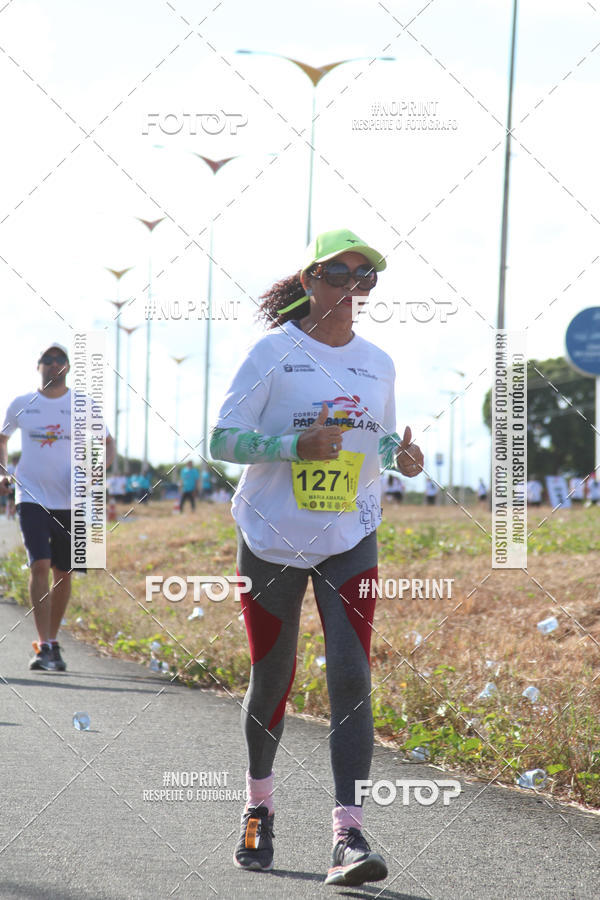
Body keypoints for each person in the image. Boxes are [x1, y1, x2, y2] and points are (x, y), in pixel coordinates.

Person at [210, 228, 424, 887]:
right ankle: (258, 806)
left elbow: (379, 438)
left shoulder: (379, 362)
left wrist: (403, 458)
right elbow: (222, 439)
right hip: (272, 534)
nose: (351, 290)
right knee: (272, 675)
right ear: (309, 280)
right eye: (339, 275)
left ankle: (349, 833)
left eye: (365, 280)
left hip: (350, 536)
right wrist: (294, 449)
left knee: (353, 673)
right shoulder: (272, 353)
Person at [0, 342, 115, 671]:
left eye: (59, 360)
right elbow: (2, 439)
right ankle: (45, 645)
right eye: (47, 360)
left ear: (67, 367)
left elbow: (106, 444)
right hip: (30, 495)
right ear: (38, 366)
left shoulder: (83, 404)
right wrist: (4, 472)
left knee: (64, 573)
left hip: (74, 499)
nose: (53, 364)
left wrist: (97, 475)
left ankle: (53, 639)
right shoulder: (22, 404)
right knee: (40, 565)